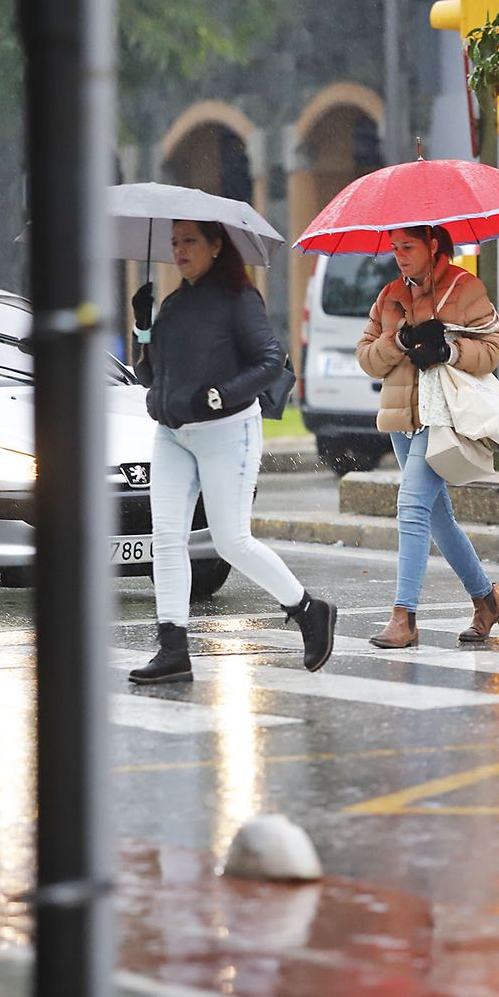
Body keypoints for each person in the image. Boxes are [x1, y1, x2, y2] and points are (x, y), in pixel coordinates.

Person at [126, 219, 336, 684]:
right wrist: (143, 329)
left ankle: (308, 610)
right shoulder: (175, 304)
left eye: (190, 242)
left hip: (228, 431)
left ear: (217, 246)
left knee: (230, 539)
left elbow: (270, 360)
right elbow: (150, 375)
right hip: (173, 434)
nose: (179, 250)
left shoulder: (239, 299)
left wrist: (217, 395)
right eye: (175, 242)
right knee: (166, 539)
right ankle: (173, 648)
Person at [355, 225, 499, 649]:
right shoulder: (390, 295)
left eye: (407, 247)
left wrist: (448, 350)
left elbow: (493, 349)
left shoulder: (465, 288)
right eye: (394, 248)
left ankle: (404, 616)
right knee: (438, 519)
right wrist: (397, 341)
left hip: (443, 419)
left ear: (433, 245)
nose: (399, 255)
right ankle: (487, 602)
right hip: (403, 423)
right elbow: (367, 358)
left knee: (410, 506)